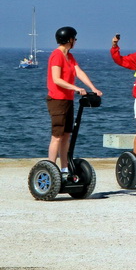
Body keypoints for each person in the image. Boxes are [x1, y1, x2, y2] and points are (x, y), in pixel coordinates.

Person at [46, 27, 103, 175]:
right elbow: (56, 79)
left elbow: (79, 72)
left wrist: (93, 88)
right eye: (74, 39)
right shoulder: (56, 55)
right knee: (57, 136)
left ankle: (64, 168)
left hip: (67, 99)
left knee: (66, 135)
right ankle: (51, 168)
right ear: (69, 39)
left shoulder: (69, 57)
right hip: (57, 100)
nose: (75, 41)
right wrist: (76, 88)